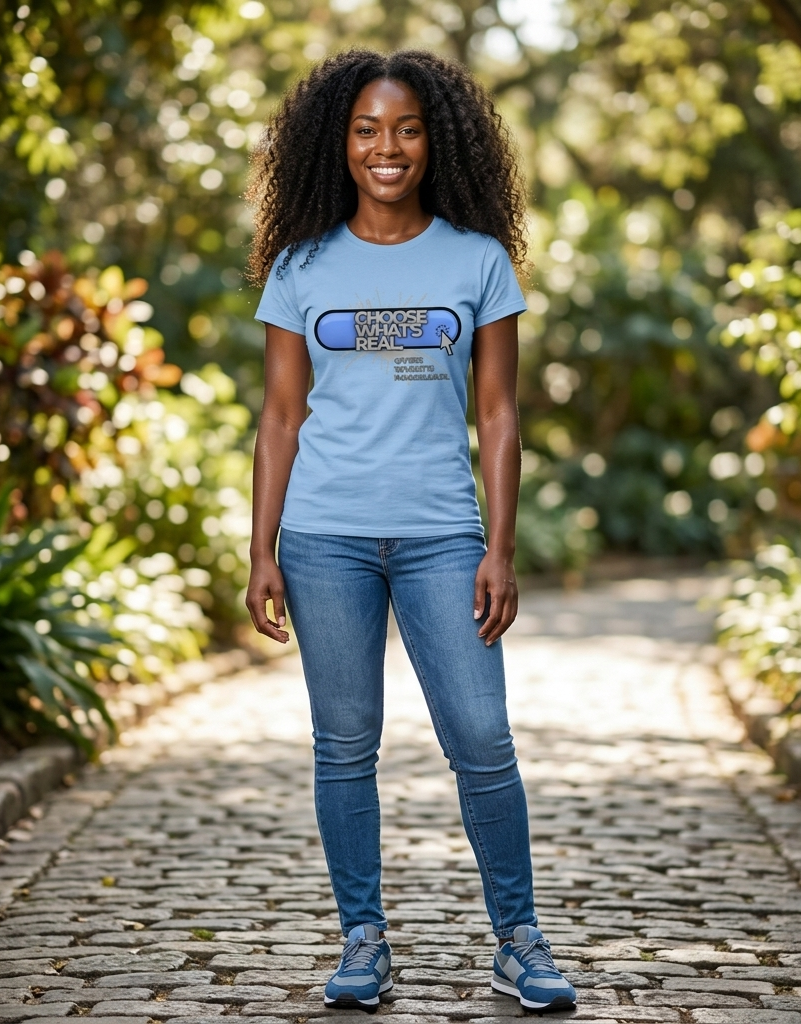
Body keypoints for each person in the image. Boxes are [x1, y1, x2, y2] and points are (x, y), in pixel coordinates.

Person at [245, 48, 576, 1014]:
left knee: (482, 737)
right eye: (365, 130)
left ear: (436, 143)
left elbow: (500, 415)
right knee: (344, 746)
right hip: (324, 537)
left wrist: (499, 548)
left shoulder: (478, 260)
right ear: (337, 144)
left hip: (443, 537)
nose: (385, 147)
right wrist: (261, 549)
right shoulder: (300, 265)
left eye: (406, 129)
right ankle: (364, 940)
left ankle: (518, 940)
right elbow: (280, 417)